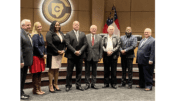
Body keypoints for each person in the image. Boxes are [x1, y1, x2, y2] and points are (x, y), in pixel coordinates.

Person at [65, 21, 87, 92]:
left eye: (78, 24)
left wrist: (80, 51)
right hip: (71, 55)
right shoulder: (68, 34)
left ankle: (78, 85)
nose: (77, 26)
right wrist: (74, 51)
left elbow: (85, 44)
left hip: (80, 56)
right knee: (69, 72)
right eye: (75, 24)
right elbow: (67, 44)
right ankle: (68, 85)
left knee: (79, 71)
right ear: (73, 25)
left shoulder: (83, 34)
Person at [46, 21, 66, 93]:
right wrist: (57, 51)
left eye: (58, 25)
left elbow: (64, 43)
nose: (57, 26)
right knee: (52, 70)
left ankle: (56, 84)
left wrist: (63, 50)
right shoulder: (49, 33)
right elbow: (50, 44)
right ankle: (50, 85)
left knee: (57, 69)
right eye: (56, 25)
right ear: (53, 26)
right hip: (52, 54)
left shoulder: (61, 33)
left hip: (59, 54)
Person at [29, 22, 46, 95]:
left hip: (41, 57)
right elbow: (35, 47)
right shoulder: (35, 36)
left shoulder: (41, 35)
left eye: (40, 26)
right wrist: (42, 55)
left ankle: (39, 88)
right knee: (36, 74)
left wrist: (45, 53)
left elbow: (43, 45)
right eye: (38, 27)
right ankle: (35, 90)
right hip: (36, 57)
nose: (40, 28)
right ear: (35, 28)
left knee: (39, 73)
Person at [84, 25, 102, 90]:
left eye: (95, 29)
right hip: (87, 56)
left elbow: (101, 48)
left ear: (96, 30)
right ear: (90, 29)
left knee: (94, 71)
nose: (94, 30)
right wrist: (84, 56)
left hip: (95, 57)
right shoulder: (86, 36)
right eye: (93, 29)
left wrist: (100, 57)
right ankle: (87, 84)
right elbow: (84, 47)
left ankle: (93, 84)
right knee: (87, 71)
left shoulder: (99, 37)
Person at [20, 19, 33, 100]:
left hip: (26, 60)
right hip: (22, 61)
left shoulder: (26, 33)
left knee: (23, 77)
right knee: (20, 78)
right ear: (22, 26)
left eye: (30, 25)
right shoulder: (20, 34)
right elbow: (19, 48)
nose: (29, 26)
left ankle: (21, 91)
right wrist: (20, 60)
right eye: (28, 25)